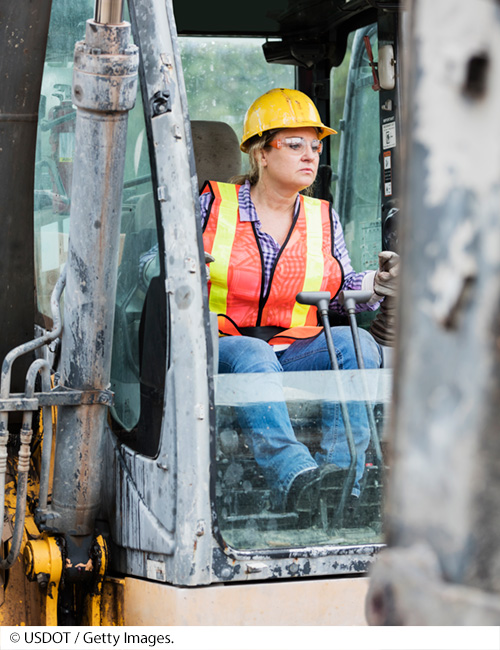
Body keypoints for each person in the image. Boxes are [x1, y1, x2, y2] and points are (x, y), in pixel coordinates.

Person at [202, 88, 397, 515]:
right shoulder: (214, 204)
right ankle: (295, 476)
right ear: (261, 154)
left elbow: (342, 286)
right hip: (224, 344)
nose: (309, 155)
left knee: (359, 346)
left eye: (315, 146)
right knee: (255, 355)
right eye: (294, 145)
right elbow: (151, 264)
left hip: (295, 348)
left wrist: (378, 284)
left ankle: (345, 483)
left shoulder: (322, 215)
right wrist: (186, 266)